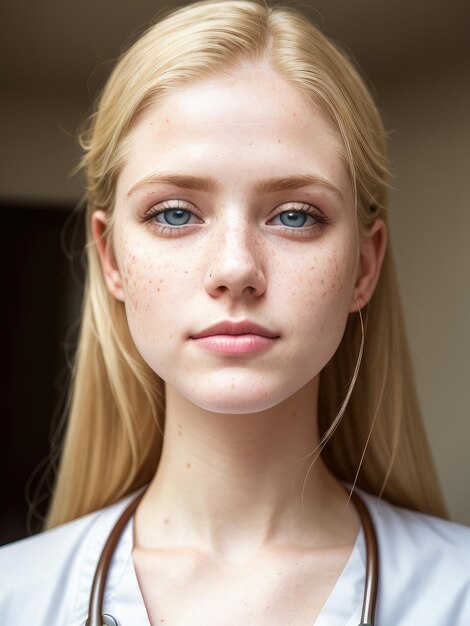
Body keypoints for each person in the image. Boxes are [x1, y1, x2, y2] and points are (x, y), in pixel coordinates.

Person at [1, 0, 469, 624]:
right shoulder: (14, 596)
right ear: (110, 258)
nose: (235, 270)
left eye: (295, 215)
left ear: (364, 265)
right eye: (174, 213)